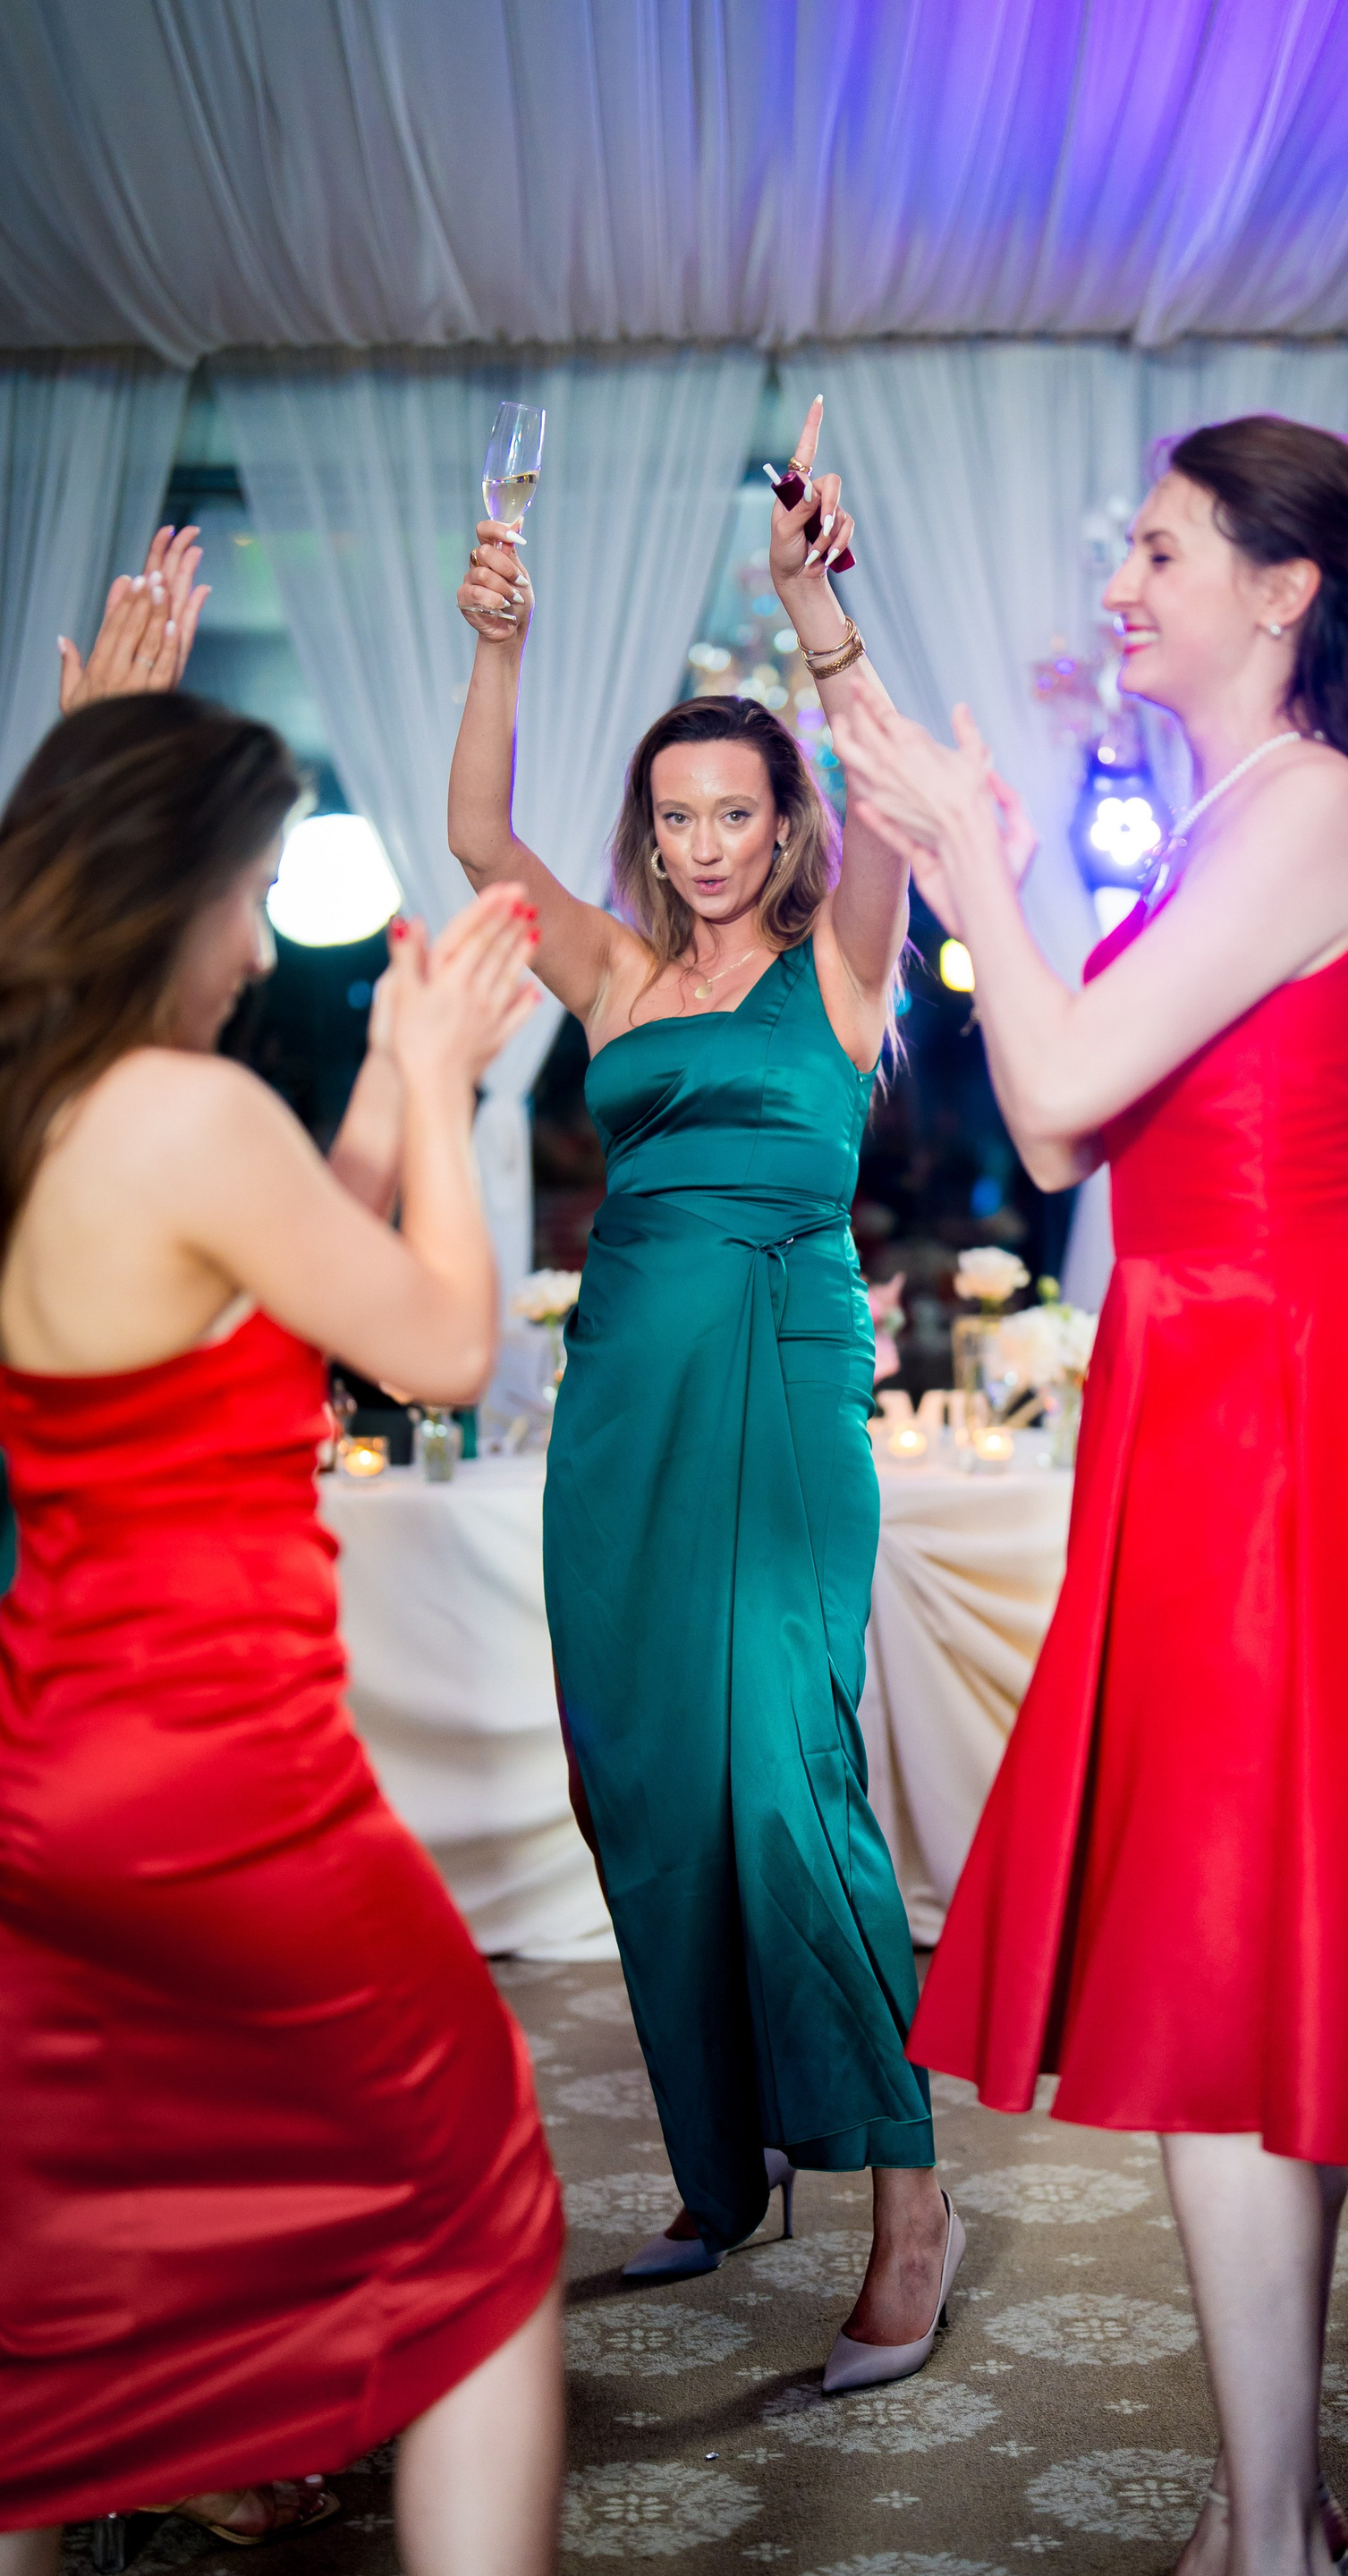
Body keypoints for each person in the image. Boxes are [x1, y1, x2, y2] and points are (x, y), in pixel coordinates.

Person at [834, 415, 1348, 2576]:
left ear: (1281, 589)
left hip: (1268, 1411)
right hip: (1232, 1390)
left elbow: (1056, 1081)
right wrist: (941, 814)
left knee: (1239, 1962)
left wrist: (979, 871)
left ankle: (1265, 2540)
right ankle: (1283, 2504)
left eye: (1159, 551)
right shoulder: (1245, 809)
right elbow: (1069, 1135)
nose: (1119, 586)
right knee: (1264, 1957)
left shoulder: (1309, 805)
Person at [0, 695, 565, 2575]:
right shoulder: (187, 1112)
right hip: (229, 1779)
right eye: (247, 896)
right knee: (485, 2218)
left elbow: (280, 1274)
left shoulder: (43, 1121)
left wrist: (394, 1087)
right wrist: (443, 1080)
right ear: (167, 890)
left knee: (60, 2275)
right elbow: (444, 1345)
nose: (256, 949)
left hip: (51, 1789)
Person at [447, 399, 958, 2394]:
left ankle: (908, 2198)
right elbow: (480, 842)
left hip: (782, 1380)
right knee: (644, 1787)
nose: (702, 843)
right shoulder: (609, 973)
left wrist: (817, 615)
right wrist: (499, 646)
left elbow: (891, 785)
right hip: (622, 1413)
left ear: (783, 824)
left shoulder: (842, 963)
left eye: (732, 813)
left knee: (782, 1779)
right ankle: (725, 2172)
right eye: (675, 818)